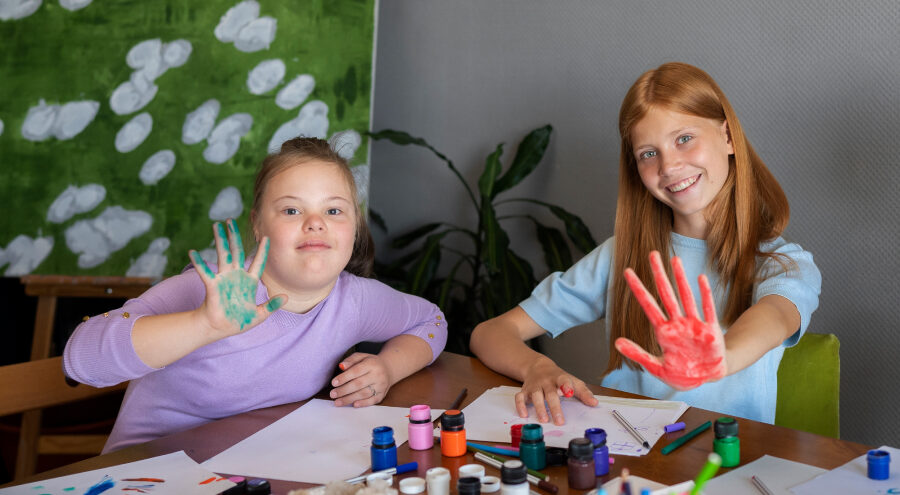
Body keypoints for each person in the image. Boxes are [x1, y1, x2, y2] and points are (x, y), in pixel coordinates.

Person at [469, 62, 820, 426]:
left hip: (724, 462)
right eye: (649, 154)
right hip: (631, 459)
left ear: (728, 137)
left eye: (684, 139)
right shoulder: (621, 255)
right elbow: (490, 333)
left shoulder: (780, 262)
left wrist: (723, 357)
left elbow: (777, 314)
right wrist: (536, 366)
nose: (668, 166)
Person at [64, 137, 448, 452]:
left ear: (354, 229)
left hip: (254, 461)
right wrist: (204, 325)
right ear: (258, 225)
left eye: (333, 211)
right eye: (292, 210)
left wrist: (388, 369)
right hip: (147, 470)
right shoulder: (208, 288)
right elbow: (80, 360)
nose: (315, 223)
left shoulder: (355, 301)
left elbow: (431, 321)